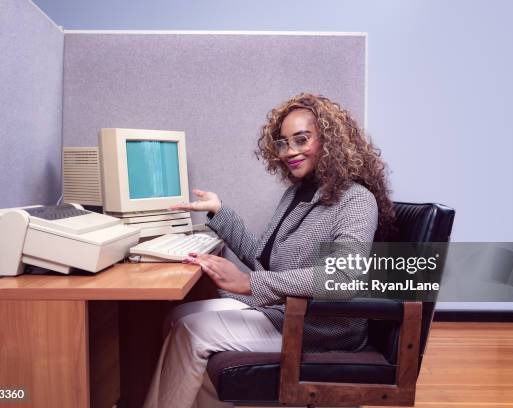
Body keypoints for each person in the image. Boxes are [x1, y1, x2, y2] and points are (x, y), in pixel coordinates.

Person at [143, 93, 395, 408]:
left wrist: (249, 283)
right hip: (286, 313)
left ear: (330, 141)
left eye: (301, 140)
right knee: (178, 316)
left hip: (320, 328)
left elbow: (343, 276)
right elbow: (264, 259)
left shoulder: (355, 199)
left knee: (193, 333)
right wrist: (219, 212)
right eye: (283, 143)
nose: (290, 151)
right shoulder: (296, 194)